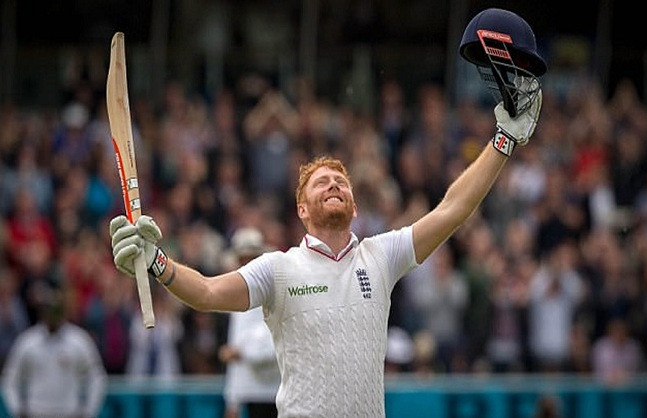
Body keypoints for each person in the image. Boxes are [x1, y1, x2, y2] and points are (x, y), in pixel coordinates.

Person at [109, 13, 543, 414]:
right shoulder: (277, 270)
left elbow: (453, 209)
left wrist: (503, 140)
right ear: (302, 210)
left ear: (354, 206)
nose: (334, 184)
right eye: (321, 182)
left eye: (341, 182)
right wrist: (156, 260)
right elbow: (204, 292)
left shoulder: (381, 256)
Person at [1, 286, 107, 418]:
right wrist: (17, 409)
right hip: (36, 412)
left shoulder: (79, 341)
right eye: (48, 310)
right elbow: (10, 378)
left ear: (63, 312)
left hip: (69, 413)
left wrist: (89, 411)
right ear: (42, 312)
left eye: (56, 310)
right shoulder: (28, 342)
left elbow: (97, 377)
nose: (52, 315)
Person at [219, 227, 280, 418]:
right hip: (253, 395)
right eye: (242, 260)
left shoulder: (275, 294)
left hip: (275, 393)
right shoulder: (237, 299)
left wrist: (242, 352)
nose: (246, 265)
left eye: (251, 259)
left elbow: (279, 344)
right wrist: (232, 400)